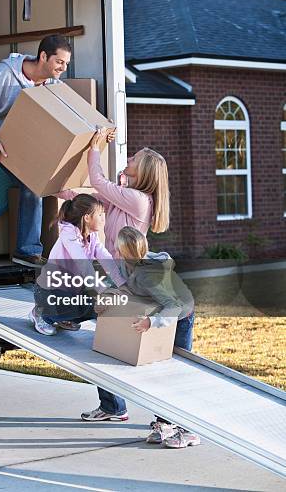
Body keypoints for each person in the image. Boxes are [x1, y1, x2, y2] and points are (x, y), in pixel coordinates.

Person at [57, 129, 170, 422]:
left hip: (123, 279)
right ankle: (112, 407)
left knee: (106, 337)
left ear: (142, 171)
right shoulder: (125, 197)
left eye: (133, 158)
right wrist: (60, 191)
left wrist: (93, 149)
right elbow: (94, 198)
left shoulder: (139, 200)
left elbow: (97, 181)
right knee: (105, 338)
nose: (128, 158)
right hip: (112, 273)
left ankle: (113, 405)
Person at [0, 35, 72, 267]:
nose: (63, 68)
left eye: (66, 63)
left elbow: (70, 113)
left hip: (5, 136)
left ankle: (27, 250)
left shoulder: (52, 85)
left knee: (33, 185)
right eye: (60, 62)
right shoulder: (4, 74)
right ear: (43, 56)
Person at [113, 227, 200, 449]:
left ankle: (190, 430)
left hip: (180, 317)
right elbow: (132, 286)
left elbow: (174, 306)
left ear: (125, 251)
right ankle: (164, 423)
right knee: (160, 373)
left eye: (117, 246)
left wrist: (151, 322)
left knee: (175, 375)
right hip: (164, 312)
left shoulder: (148, 274)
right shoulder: (134, 263)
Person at [29, 194, 126, 336]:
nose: (103, 218)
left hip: (69, 292)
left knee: (96, 308)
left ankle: (63, 317)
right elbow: (85, 267)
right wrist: (104, 292)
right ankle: (41, 314)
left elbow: (106, 259)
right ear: (87, 218)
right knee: (89, 305)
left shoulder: (92, 236)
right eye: (100, 214)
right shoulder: (69, 236)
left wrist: (123, 285)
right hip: (48, 292)